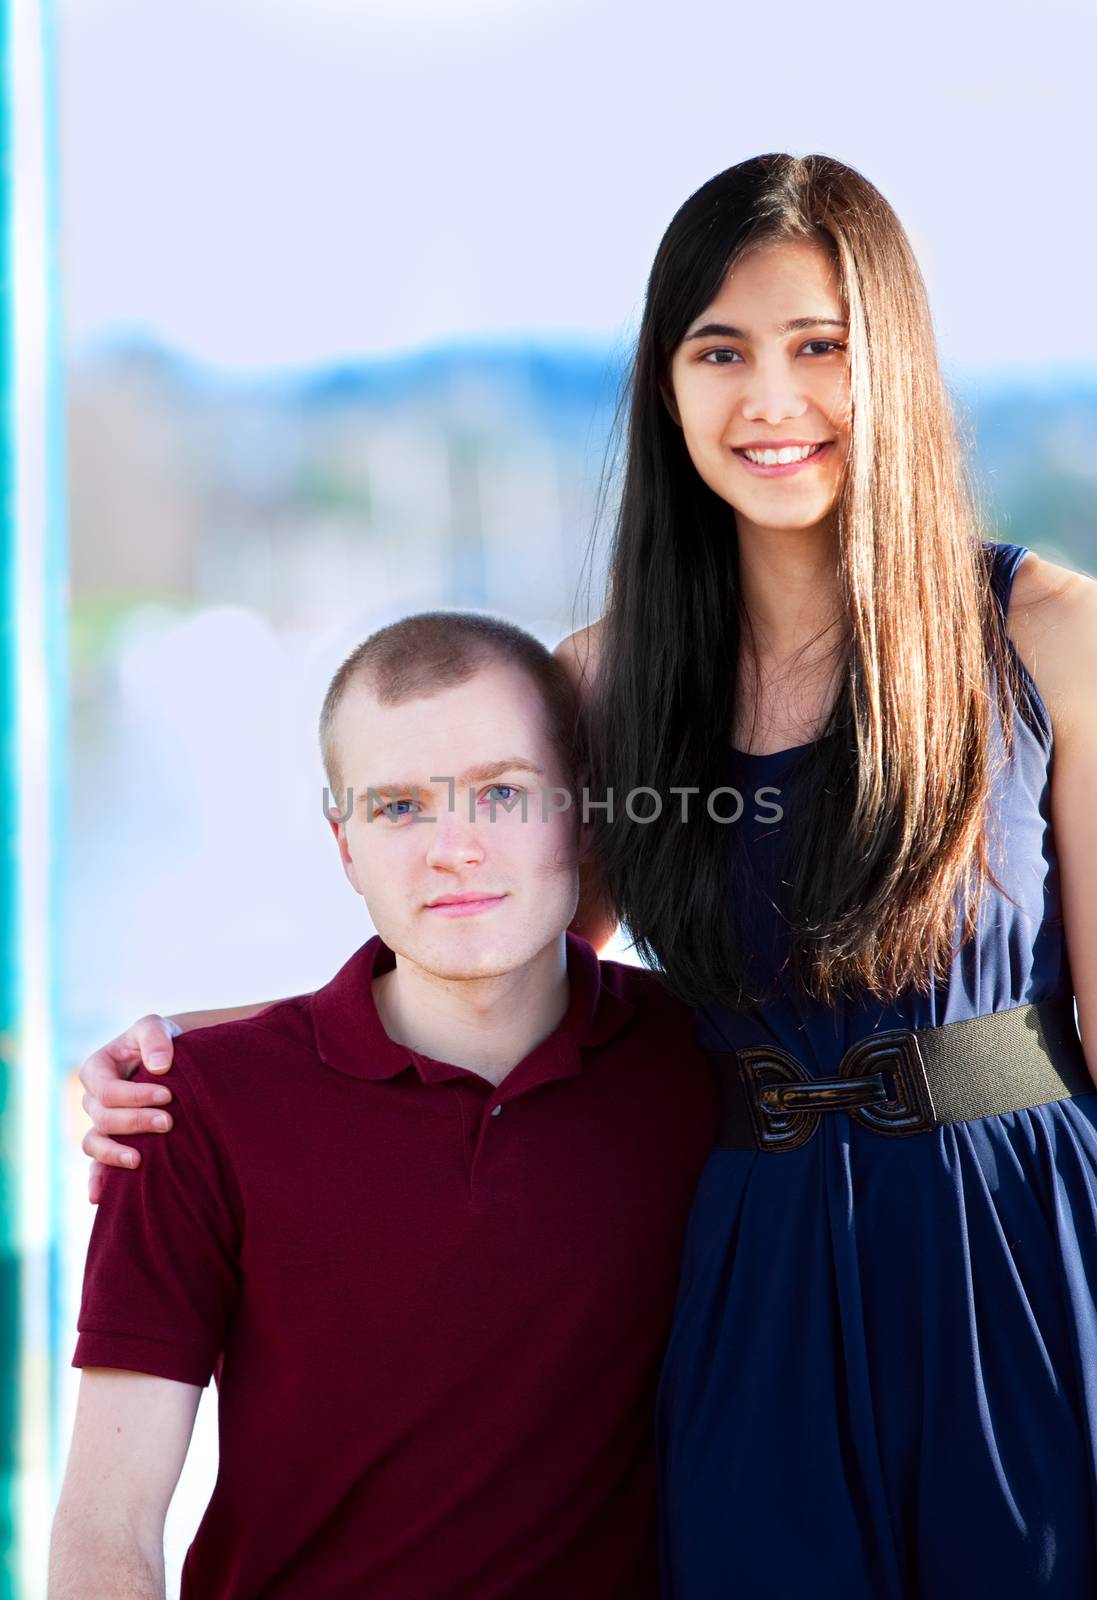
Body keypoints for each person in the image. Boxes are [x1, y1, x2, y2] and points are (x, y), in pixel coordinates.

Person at [77, 153, 1097, 1596]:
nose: (771, 398)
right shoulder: (611, 686)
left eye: (820, 347)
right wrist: (190, 1060)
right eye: (719, 351)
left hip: (1027, 1255)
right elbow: (485, 957)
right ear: (664, 382)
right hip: (757, 1295)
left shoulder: (1051, 634)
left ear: (897, 363)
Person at [49, 613, 718, 1598]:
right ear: (344, 844)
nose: (454, 847)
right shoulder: (190, 1110)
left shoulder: (702, 1071)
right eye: (400, 807)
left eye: (500, 793)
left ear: (583, 814)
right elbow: (108, 1529)